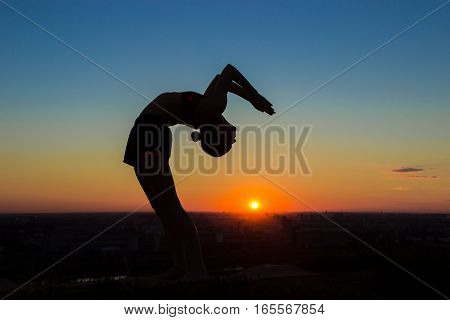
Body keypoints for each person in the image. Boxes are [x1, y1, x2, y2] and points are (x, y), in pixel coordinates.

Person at [123, 64, 274, 281]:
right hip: (147, 131)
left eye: (230, 142)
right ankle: (181, 267)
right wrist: (253, 96)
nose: (235, 138)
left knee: (171, 208)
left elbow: (228, 73)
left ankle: (196, 269)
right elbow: (222, 78)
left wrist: (253, 97)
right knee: (164, 210)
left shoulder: (213, 109)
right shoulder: (211, 107)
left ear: (219, 133)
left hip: (151, 132)